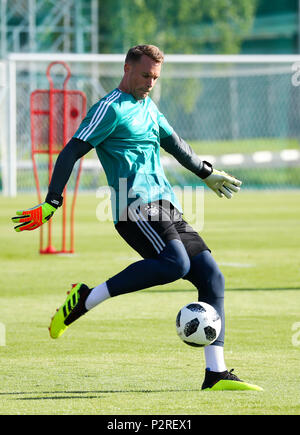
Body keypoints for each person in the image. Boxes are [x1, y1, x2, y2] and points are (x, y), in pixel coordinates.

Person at [12, 45, 262, 391]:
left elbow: (175, 144)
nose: (150, 83)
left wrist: (206, 172)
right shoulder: (109, 109)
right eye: (145, 75)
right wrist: (52, 201)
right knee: (176, 264)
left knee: (212, 277)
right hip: (135, 208)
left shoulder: (149, 106)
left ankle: (215, 373)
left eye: (155, 77)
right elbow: (71, 150)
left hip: (166, 205)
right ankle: (85, 299)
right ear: (127, 68)